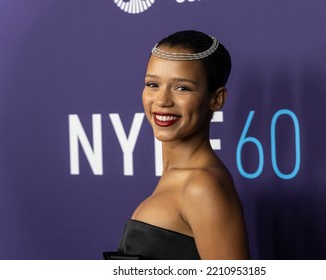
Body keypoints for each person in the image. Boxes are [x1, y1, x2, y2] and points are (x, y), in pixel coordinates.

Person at [104, 30, 250, 260]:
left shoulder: (202, 187)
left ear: (216, 99)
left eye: (182, 88)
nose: (162, 101)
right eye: (153, 84)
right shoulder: (179, 177)